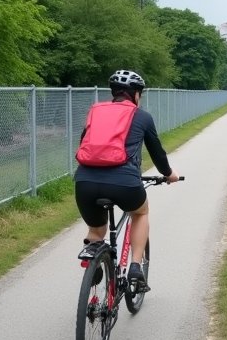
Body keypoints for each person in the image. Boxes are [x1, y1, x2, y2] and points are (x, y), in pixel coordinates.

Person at [74, 69, 180, 292]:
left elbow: (85, 143)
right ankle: (135, 267)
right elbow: (157, 153)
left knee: (96, 228)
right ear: (136, 95)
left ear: (114, 93)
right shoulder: (142, 116)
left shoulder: (95, 111)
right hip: (125, 183)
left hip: (85, 182)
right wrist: (169, 174)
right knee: (140, 213)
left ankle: (93, 260)